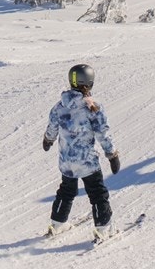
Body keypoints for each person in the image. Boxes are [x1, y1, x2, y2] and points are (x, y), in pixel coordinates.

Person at [42, 63, 121, 241]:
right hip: (87, 162)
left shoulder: (59, 106)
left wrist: (48, 140)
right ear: (90, 82)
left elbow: (52, 127)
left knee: (66, 191)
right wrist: (112, 155)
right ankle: (103, 228)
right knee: (97, 192)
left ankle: (57, 223)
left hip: (66, 161)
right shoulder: (93, 108)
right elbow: (103, 134)